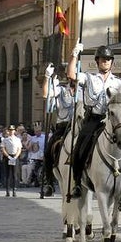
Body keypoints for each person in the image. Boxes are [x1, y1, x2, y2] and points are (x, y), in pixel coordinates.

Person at [67, 45, 121, 199]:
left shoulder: (119, 82)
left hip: (113, 120)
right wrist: (74, 55)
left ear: (111, 62)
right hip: (94, 119)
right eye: (102, 59)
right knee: (80, 147)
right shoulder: (89, 78)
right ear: (97, 61)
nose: (105, 62)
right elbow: (72, 74)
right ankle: (77, 182)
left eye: (108, 59)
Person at [42, 63, 77, 196]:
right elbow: (46, 94)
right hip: (63, 126)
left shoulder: (86, 91)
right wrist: (47, 78)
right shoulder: (62, 91)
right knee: (48, 151)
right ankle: (49, 182)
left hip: (79, 126)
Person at [1, 126, 23, 197]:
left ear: (14, 131)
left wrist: (16, 156)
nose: (11, 131)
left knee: (14, 174)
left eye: (12, 130)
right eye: (10, 130)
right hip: (8, 156)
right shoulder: (5, 140)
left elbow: (19, 149)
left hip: (15, 156)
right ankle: (7, 191)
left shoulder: (18, 139)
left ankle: (14, 190)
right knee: (7, 174)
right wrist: (8, 156)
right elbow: (3, 149)